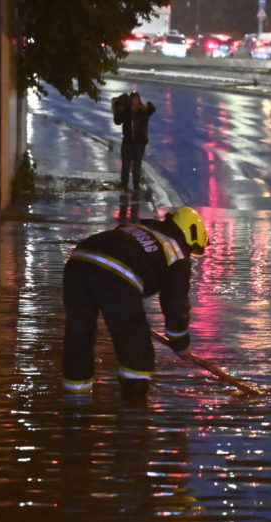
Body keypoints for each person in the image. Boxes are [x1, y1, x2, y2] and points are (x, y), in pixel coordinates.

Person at [61, 206, 210, 399]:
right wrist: (180, 342)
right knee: (136, 348)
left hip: (78, 263)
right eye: (193, 248)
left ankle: (75, 402)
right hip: (116, 274)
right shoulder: (176, 253)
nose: (190, 253)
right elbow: (175, 304)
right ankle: (134, 410)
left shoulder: (136, 229)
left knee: (79, 336)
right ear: (190, 235)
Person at [112, 91, 156, 191]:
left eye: (136, 99)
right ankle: (124, 184)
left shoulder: (143, 110)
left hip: (140, 143)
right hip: (128, 142)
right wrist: (121, 108)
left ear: (139, 99)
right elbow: (117, 121)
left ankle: (136, 185)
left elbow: (152, 108)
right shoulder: (127, 111)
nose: (135, 101)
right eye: (133, 99)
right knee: (126, 164)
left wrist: (146, 105)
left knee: (137, 165)